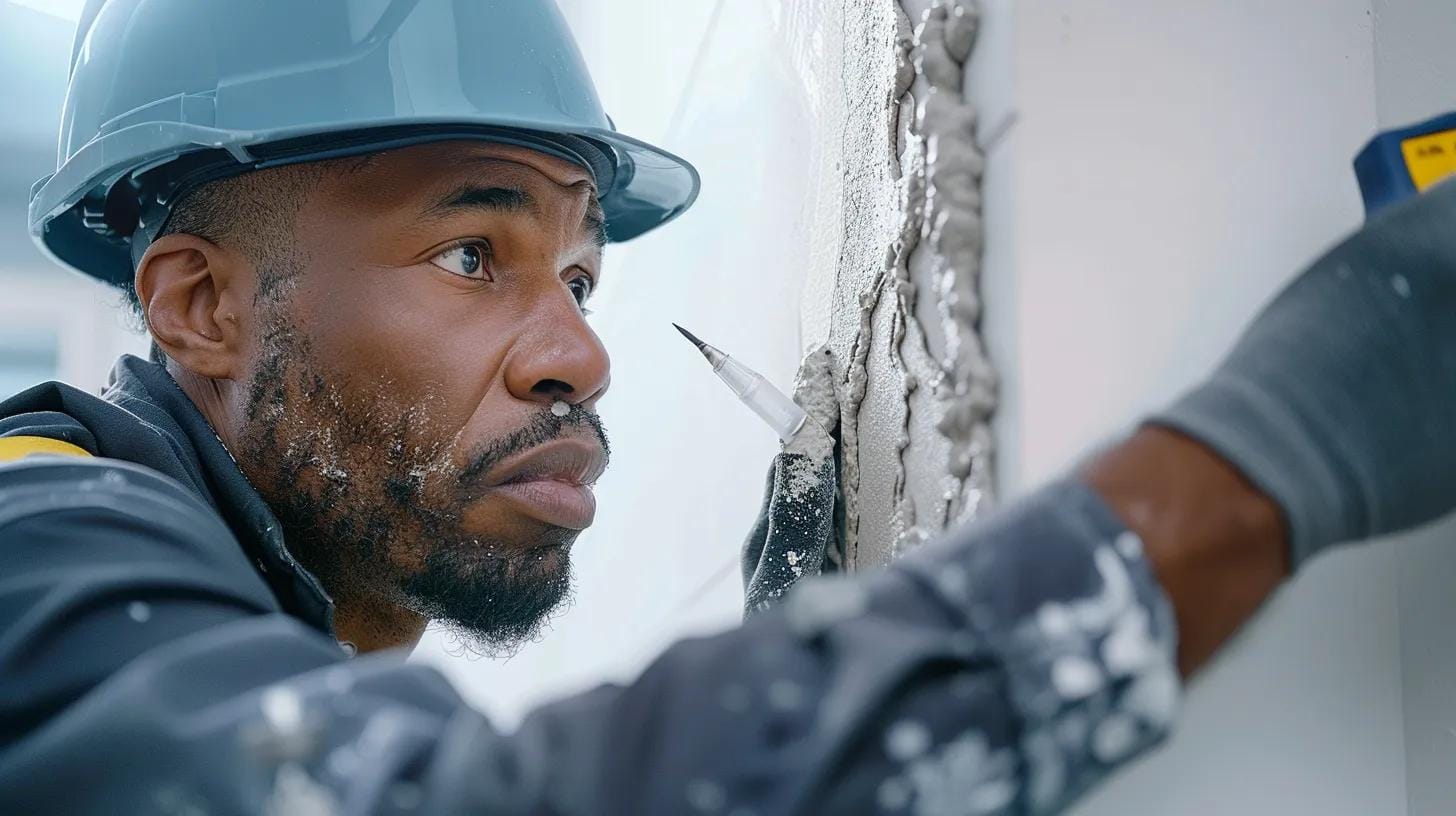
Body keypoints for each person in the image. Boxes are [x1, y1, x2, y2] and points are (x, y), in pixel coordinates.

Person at [3, 1, 1455, 813]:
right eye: (471, 253)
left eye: (582, 269)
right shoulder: (30, 543)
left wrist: (783, 672)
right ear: (199, 306)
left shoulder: (234, 616)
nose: (578, 352)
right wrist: (1271, 458)